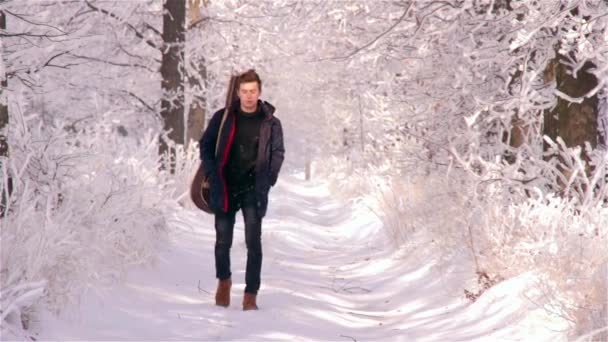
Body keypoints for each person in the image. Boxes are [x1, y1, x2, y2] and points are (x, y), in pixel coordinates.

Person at [199, 69, 285, 311]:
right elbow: (205, 145)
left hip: (253, 189)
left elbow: (278, 152)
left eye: (253, 91)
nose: (249, 96)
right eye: (245, 91)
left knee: (253, 243)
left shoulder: (271, 122)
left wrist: (269, 178)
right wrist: (212, 171)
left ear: (259, 92)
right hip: (224, 186)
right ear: (238, 92)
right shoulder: (223, 117)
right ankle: (224, 282)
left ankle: (250, 295)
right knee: (222, 241)